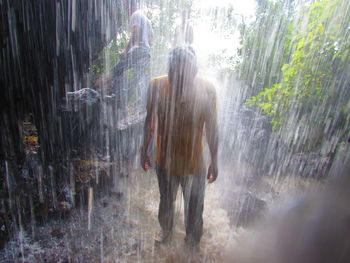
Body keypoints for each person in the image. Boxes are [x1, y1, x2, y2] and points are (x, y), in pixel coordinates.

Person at [141, 47, 219, 250]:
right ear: (170, 69)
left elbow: (212, 128)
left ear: (195, 71)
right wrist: (144, 150)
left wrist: (215, 161)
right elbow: (150, 120)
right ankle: (166, 232)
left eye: (184, 74)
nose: (179, 79)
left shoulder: (207, 90)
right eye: (174, 73)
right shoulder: (157, 86)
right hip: (165, 161)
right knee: (166, 201)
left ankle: (192, 244)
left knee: (194, 209)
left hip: (195, 164)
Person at [115, 0, 153, 111]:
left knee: (117, 70)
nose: (125, 8)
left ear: (129, 5)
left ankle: (119, 100)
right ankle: (145, 103)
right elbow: (151, 40)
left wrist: (125, 52)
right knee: (139, 77)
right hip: (146, 52)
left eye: (125, 5)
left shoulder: (135, 15)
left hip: (139, 50)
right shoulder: (146, 19)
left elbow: (135, 34)